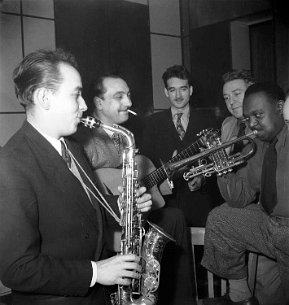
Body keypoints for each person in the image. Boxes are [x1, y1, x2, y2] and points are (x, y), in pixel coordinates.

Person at [0, 49, 153, 305]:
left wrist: (126, 207)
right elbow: (17, 269)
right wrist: (96, 273)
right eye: (76, 95)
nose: (84, 105)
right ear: (45, 97)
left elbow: (87, 215)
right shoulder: (11, 163)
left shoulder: (73, 148)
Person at [74, 75, 196, 305]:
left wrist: (167, 178)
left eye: (128, 95)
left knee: (175, 217)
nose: (129, 103)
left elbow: (145, 180)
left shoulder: (125, 135)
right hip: (106, 224)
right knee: (172, 219)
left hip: (132, 216)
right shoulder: (85, 140)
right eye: (119, 97)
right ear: (99, 103)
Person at [201, 82, 289, 305]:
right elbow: (239, 199)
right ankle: (241, 298)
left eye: (258, 115)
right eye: (248, 118)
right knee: (221, 218)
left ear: (281, 108)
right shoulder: (258, 146)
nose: (252, 124)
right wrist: (222, 167)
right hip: (272, 227)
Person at [219, 71, 282, 305]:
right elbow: (238, 195)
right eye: (226, 98)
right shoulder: (228, 126)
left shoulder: (271, 127)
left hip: (273, 213)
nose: (232, 102)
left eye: (237, 94)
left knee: (267, 284)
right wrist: (221, 167)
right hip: (252, 208)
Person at [140, 64, 217, 227]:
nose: (178, 95)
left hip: (200, 201)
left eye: (183, 89)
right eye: (172, 90)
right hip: (165, 205)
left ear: (190, 90)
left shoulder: (208, 120)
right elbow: (145, 165)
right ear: (166, 92)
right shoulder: (151, 123)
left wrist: (203, 177)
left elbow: (217, 160)